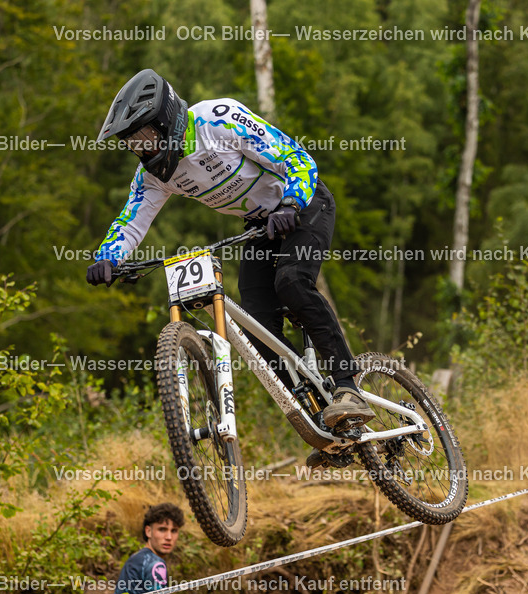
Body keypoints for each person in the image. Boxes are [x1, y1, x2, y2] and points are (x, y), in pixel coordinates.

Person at [85, 69, 375, 429]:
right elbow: (130, 221)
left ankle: (348, 387)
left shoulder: (218, 121)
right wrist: (107, 259)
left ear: (166, 120)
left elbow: (297, 158)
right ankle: (319, 417)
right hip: (260, 227)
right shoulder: (154, 175)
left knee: (293, 283)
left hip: (302, 203)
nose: (142, 150)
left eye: (145, 137)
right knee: (256, 324)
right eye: (133, 144)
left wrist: (290, 203)